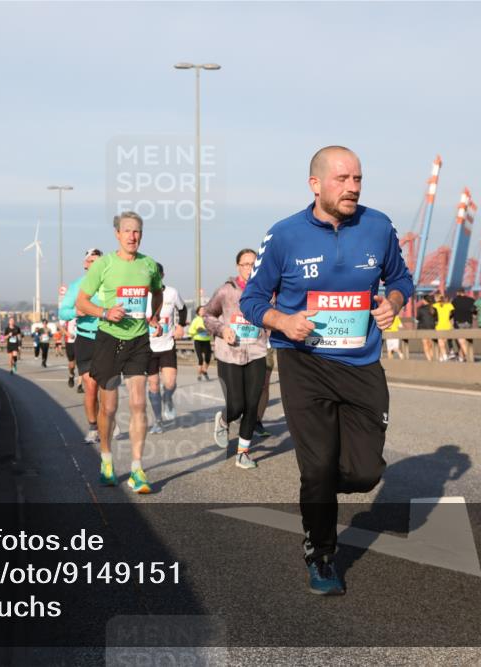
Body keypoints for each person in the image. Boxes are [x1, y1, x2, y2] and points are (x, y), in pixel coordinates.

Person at [240, 145, 413, 595]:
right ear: (315, 184)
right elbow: (252, 299)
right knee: (316, 471)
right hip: (304, 363)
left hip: (360, 362)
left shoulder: (378, 227)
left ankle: (321, 490)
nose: (353, 187)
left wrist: (391, 304)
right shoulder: (283, 236)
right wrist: (282, 321)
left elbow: (401, 280)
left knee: (365, 474)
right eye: (343, 179)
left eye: (358, 179)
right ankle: (320, 553)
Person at [76, 212, 164, 493]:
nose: (132, 236)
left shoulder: (148, 264)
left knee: (139, 403)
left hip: (138, 341)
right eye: (127, 231)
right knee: (110, 407)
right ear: (117, 234)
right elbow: (82, 302)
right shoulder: (104, 264)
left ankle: (137, 469)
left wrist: (153, 316)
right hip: (109, 341)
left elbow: (157, 292)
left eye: (137, 231)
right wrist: (105, 312)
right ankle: (106, 459)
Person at [205, 248, 270, 470]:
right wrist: (222, 330)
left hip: (257, 351)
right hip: (229, 353)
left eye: (253, 264)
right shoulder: (226, 291)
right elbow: (207, 315)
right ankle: (224, 420)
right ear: (238, 266)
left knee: (252, 405)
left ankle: (243, 452)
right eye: (245, 264)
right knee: (236, 405)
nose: (249, 268)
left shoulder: (266, 291)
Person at [60, 248, 104, 442]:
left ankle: (107, 418)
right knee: (91, 386)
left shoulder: (110, 284)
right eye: (91, 261)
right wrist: (77, 312)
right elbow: (63, 312)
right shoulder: (77, 285)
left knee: (107, 388)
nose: (94, 264)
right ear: (85, 264)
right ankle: (94, 427)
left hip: (107, 339)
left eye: (98, 261)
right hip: (85, 339)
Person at [145, 264, 187, 434]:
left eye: (157, 275)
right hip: (147, 347)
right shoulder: (142, 295)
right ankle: (158, 421)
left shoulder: (172, 293)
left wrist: (181, 326)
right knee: (153, 385)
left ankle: (168, 398)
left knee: (169, 383)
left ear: (162, 275)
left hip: (167, 344)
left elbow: (183, 309)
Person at [451, 287, 476, 362]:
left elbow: (452, 312)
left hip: (458, 323)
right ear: (464, 292)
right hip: (468, 322)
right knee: (466, 340)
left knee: (461, 341)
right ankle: (461, 357)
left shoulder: (455, 301)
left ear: (458, 293)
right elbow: (474, 311)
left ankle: (469, 357)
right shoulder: (471, 300)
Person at [188, 306, 212, 381]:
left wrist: (209, 332)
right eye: (201, 310)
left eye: (204, 310)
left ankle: (204, 371)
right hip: (198, 341)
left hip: (207, 341)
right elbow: (190, 331)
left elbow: (212, 329)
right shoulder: (195, 320)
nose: (203, 311)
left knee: (208, 358)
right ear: (198, 312)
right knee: (200, 359)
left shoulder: (208, 320)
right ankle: (199, 375)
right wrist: (197, 331)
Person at [432, 293, 455, 361]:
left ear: (437, 299)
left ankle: (444, 356)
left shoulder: (435, 305)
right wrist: (448, 318)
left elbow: (433, 315)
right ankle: (441, 356)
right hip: (447, 326)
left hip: (438, 326)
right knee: (444, 342)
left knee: (440, 343)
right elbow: (453, 313)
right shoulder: (449, 305)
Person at [415, 294, 437, 361]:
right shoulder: (434, 308)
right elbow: (436, 318)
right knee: (430, 344)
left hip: (422, 328)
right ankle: (432, 357)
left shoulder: (420, 309)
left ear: (424, 300)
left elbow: (418, 318)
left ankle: (429, 359)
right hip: (431, 328)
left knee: (425, 344)